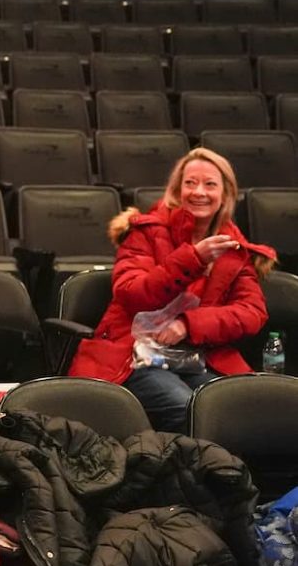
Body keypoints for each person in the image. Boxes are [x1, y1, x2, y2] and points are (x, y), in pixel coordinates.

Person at [68, 148, 277, 432]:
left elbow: (251, 312)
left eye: (210, 184)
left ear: (226, 194)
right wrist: (194, 259)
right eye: (190, 183)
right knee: (189, 409)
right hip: (134, 355)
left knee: (240, 409)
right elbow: (131, 293)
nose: (198, 192)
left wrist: (188, 324)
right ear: (177, 189)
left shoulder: (234, 248)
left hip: (199, 356)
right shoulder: (145, 232)